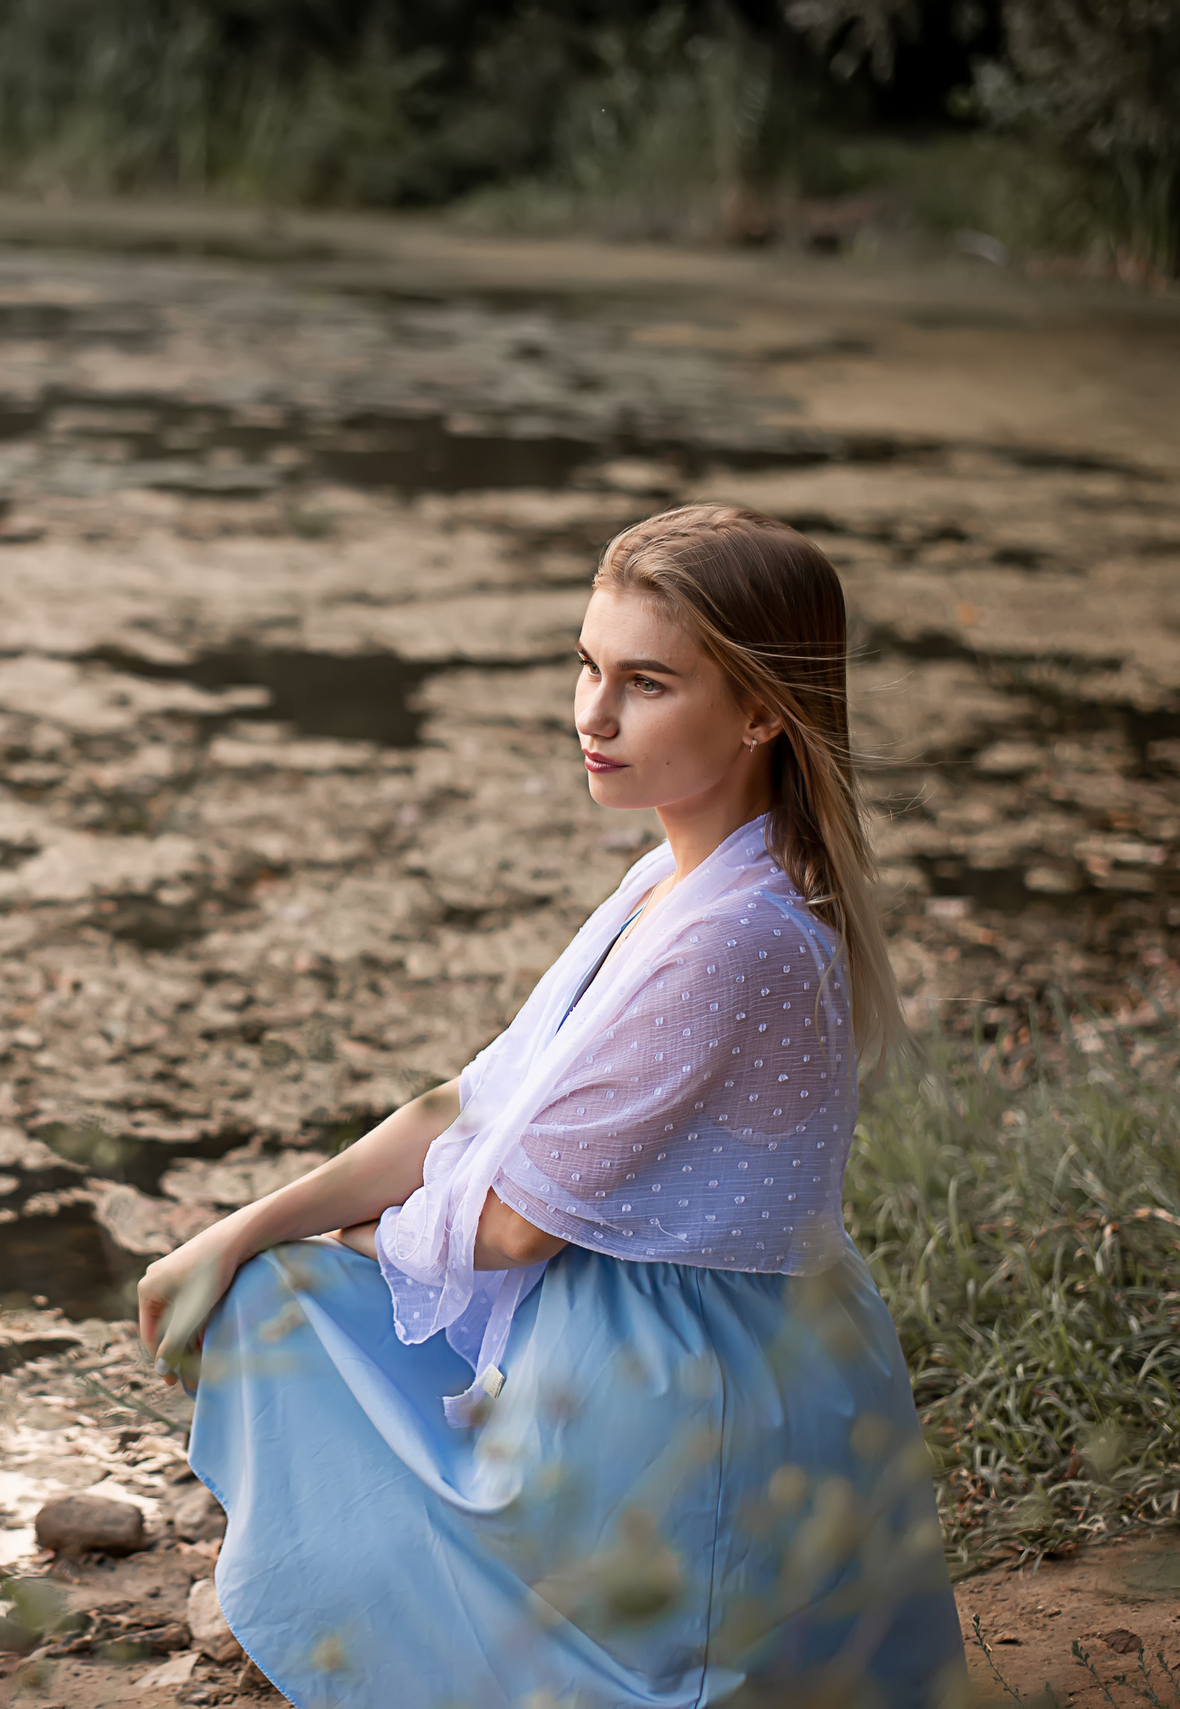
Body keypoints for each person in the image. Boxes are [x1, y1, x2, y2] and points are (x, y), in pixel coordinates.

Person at [136, 505, 965, 1707]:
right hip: (640, 1339)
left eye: (645, 681)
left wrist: (335, 1240)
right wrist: (246, 1225)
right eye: (587, 665)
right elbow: (468, 1103)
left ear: (757, 710)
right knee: (274, 1287)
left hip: (696, 1381)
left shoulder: (737, 934)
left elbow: (517, 1226)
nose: (592, 712)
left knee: (296, 1301)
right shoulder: (665, 882)